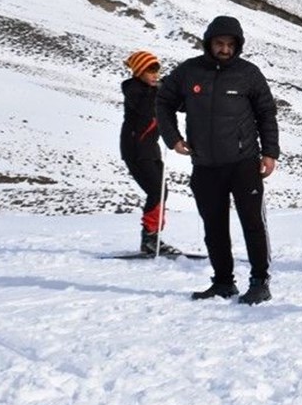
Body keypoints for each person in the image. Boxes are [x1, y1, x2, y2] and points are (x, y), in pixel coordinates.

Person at [156, 16, 280, 304]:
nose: (224, 49)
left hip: (244, 162)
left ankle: (260, 282)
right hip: (205, 164)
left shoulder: (249, 74)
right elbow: (163, 101)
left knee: (253, 224)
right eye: (219, 43)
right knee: (214, 227)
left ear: (237, 46)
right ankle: (223, 282)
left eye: (229, 44)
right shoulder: (189, 72)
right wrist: (172, 138)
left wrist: (270, 152)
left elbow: (266, 114)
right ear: (209, 43)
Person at [119, 50, 181, 256]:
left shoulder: (151, 89)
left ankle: (153, 237)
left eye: (157, 69)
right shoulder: (133, 89)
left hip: (150, 149)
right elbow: (146, 108)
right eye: (150, 70)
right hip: (135, 148)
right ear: (139, 71)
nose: (155, 74)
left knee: (161, 191)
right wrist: (160, 90)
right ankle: (149, 239)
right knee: (156, 191)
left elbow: (174, 106)